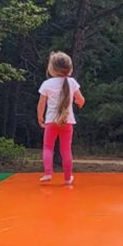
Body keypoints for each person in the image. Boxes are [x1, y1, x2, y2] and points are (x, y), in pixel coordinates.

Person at [36, 51, 85, 185]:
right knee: (65, 149)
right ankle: (68, 177)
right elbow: (81, 99)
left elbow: (41, 104)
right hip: (67, 121)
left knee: (48, 147)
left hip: (51, 121)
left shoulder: (47, 84)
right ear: (70, 69)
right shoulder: (72, 82)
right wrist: (79, 103)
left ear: (51, 68)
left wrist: (40, 117)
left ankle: (47, 173)